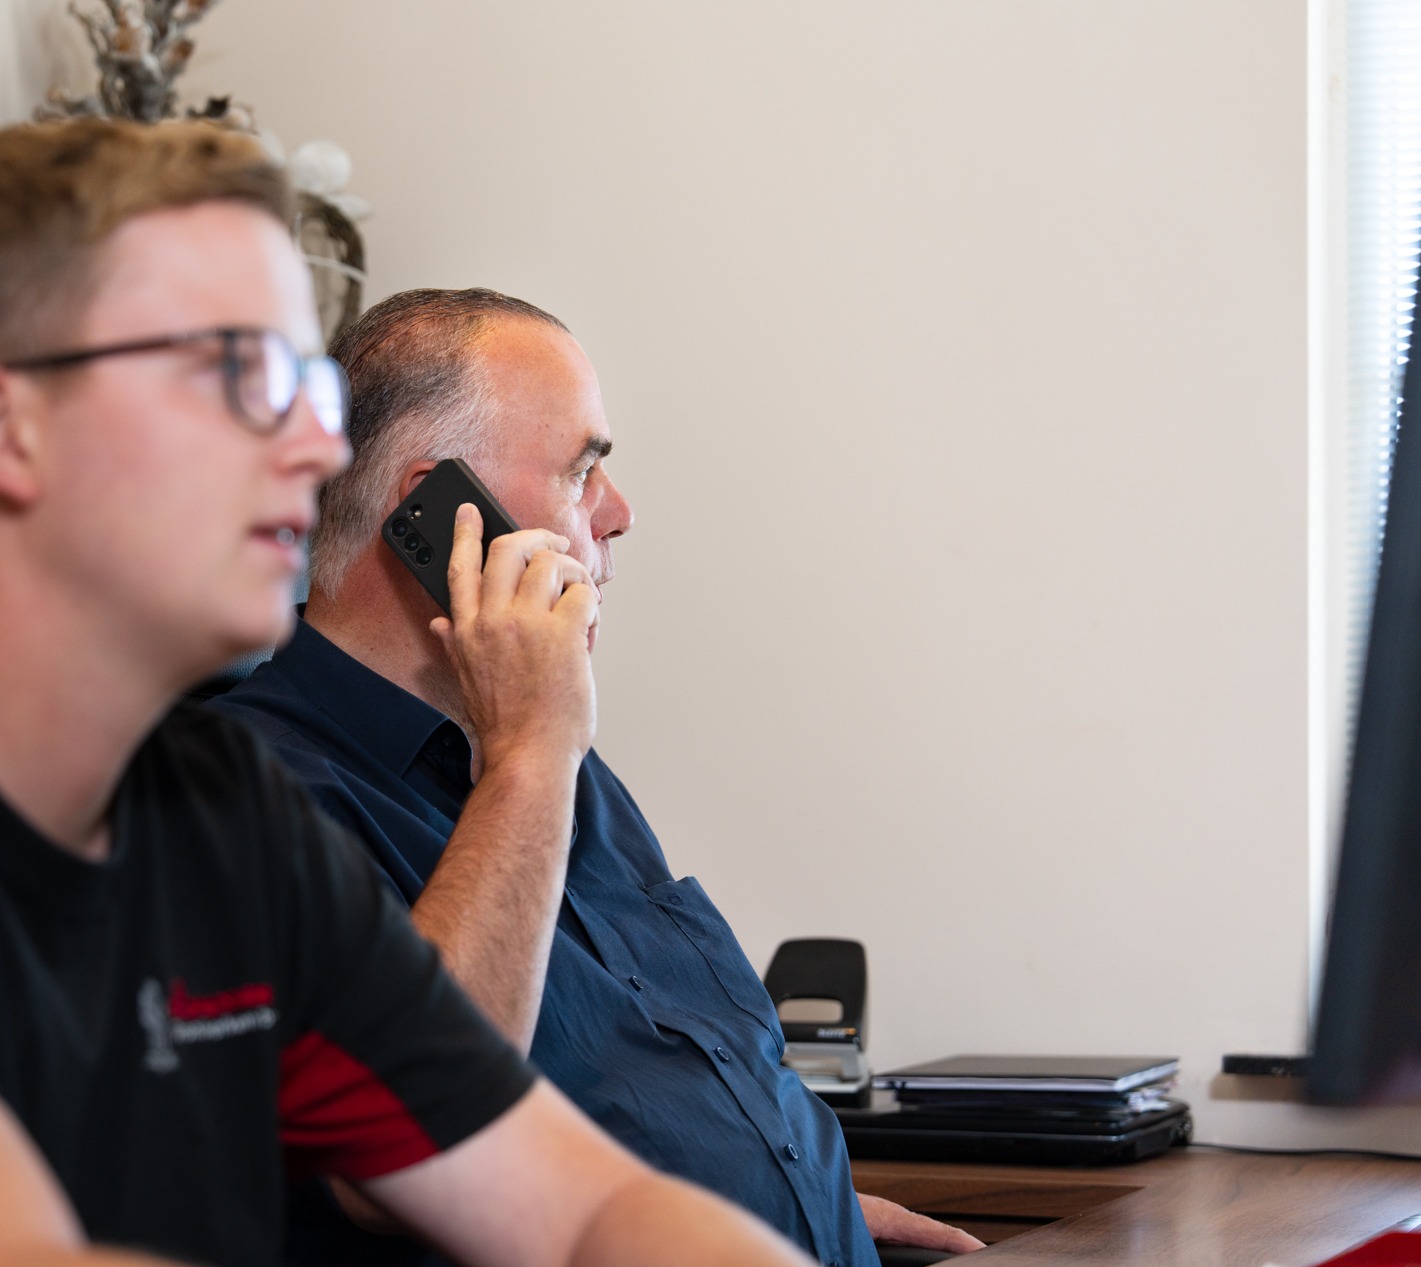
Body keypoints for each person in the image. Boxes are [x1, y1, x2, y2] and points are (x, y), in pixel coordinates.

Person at [0, 123, 820, 1267]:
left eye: (306, 387)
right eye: (233, 375)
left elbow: (581, 1208)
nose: (318, 449)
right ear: (2, 426)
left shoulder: (222, 816)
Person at [210, 289, 985, 1267]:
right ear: (433, 517)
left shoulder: (558, 766)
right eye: (581, 472)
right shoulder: (236, 792)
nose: (617, 514)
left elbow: (635, 1090)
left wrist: (791, 1196)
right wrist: (531, 756)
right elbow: (402, 1147)